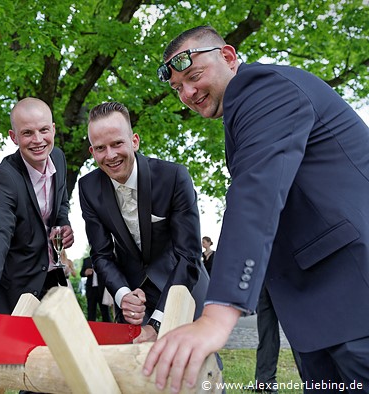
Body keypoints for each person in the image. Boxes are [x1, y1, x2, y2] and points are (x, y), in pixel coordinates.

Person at [144, 25, 369, 392]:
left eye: (194, 76)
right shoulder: (243, 112)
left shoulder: (264, 88)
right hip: (318, 315)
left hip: (354, 299)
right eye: (176, 88)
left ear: (229, 57)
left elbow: (256, 193)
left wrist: (217, 315)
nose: (187, 93)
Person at [78, 101, 209, 343]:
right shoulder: (88, 187)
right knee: (134, 368)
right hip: (134, 291)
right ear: (92, 151)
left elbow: (188, 256)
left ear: (134, 141)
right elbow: (102, 254)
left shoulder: (174, 177)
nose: (110, 155)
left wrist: (158, 322)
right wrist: (123, 295)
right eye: (100, 148)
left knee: (193, 366)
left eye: (117, 143)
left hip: (181, 283)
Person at [0, 97, 73, 315]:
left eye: (43, 130)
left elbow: (62, 203)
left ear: (53, 129)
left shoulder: (58, 158)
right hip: (17, 289)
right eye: (27, 133)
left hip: (53, 283)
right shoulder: (4, 178)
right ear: (14, 137)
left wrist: (63, 224)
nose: (38, 140)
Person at [254, 285, 302, 393]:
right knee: (266, 327)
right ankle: (264, 381)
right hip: (267, 275)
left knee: (297, 329)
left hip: (287, 277)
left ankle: (313, 380)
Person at [80, 256, 111, 322]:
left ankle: (108, 330)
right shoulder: (86, 260)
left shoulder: (103, 259)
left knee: (105, 312)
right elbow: (81, 273)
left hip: (102, 290)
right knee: (91, 312)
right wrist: (85, 272)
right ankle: (90, 330)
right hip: (91, 290)